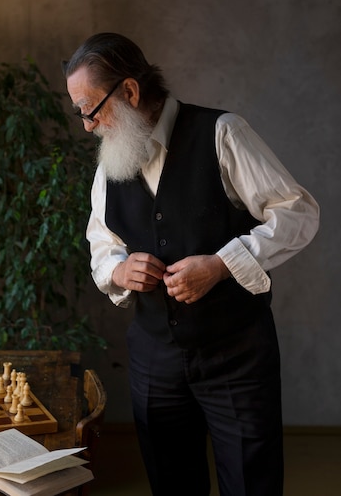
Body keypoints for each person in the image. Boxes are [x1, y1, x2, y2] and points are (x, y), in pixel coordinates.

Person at [63, 32, 319, 496]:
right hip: (154, 360)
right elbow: (102, 245)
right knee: (171, 484)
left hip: (236, 357)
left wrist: (223, 264)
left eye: (90, 109)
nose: (86, 125)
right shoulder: (109, 166)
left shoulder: (223, 133)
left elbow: (298, 212)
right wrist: (119, 271)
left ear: (130, 92)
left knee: (251, 484)